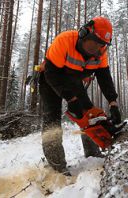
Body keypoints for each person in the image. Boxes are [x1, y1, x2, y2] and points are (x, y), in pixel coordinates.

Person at [38, 16, 123, 174]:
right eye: (93, 44)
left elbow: (104, 78)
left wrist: (113, 102)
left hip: (73, 80)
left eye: (102, 46)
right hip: (50, 79)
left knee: (89, 113)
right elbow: (51, 73)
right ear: (84, 34)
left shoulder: (100, 53)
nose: (96, 49)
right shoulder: (64, 40)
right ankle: (57, 166)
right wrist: (70, 98)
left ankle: (92, 152)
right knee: (52, 119)